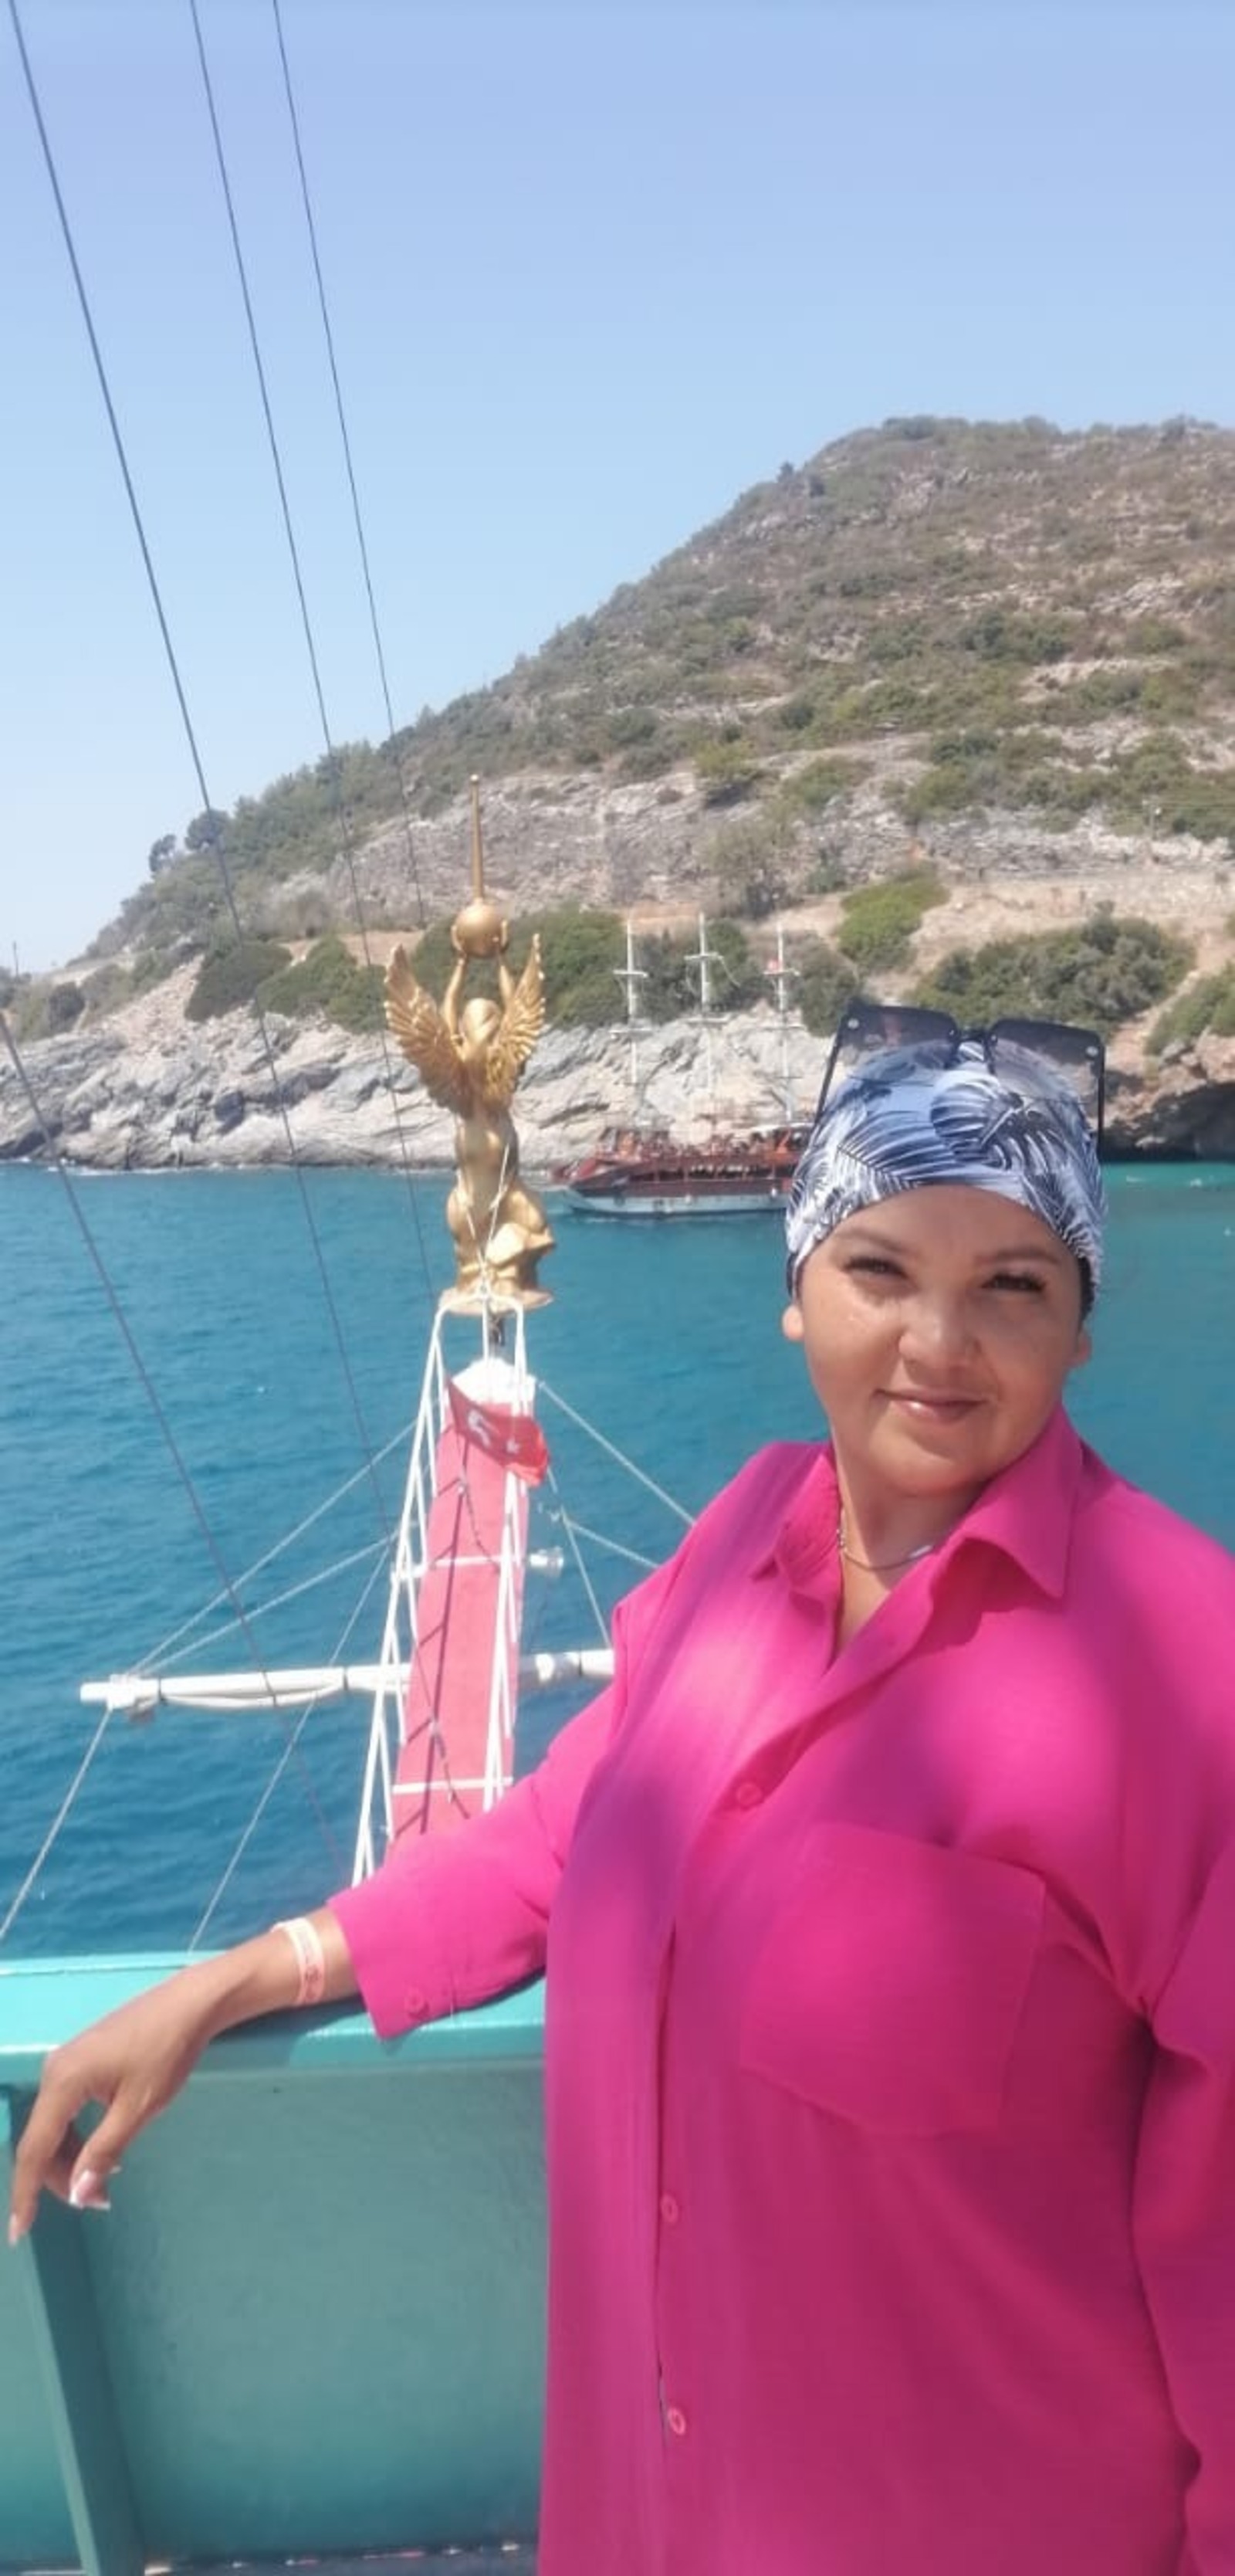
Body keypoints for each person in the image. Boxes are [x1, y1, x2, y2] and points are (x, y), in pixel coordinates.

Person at [11, 1008, 1235, 2576]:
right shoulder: (743, 1543)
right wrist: (254, 1974)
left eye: (1013, 1285)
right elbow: (566, 1829)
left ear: (1080, 1325)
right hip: (650, 2519)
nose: (940, 1342)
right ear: (795, 1287)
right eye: (879, 1269)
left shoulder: (1182, 1671)